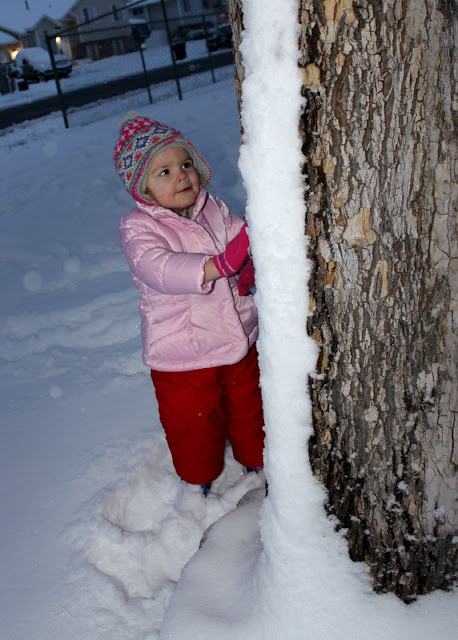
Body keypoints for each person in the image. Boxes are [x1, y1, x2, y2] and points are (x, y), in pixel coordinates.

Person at [114, 113, 262, 496]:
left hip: (239, 340)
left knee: (251, 411)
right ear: (143, 188)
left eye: (185, 164)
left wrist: (250, 262)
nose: (181, 175)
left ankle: (259, 463)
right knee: (193, 426)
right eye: (164, 172)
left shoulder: (213, 207)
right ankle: (197, 485)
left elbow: (241, 238)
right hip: (184, 358)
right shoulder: (138, 227)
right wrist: (218, 266)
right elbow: (159, 268)